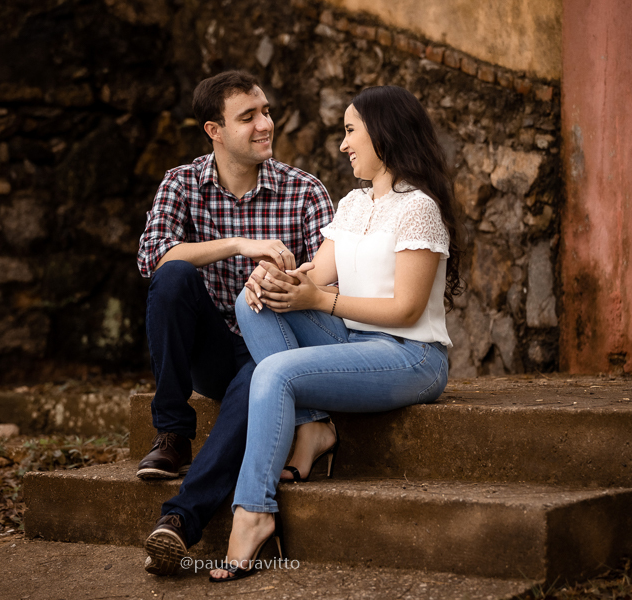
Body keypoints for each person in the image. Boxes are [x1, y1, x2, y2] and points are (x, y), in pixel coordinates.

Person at [209, 85, 463, 582]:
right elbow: (314, 277)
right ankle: (315, 425)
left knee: (276, 373)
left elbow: (407, 309)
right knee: (251, 301)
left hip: (412, 356)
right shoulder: (351, 205)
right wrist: (273, 280)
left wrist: (318, 299)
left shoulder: (419, 209)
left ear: (383, 135)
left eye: (351, 132)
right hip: (353, 342)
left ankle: (254, 512)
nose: (344, 145)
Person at [135, 70, 335, 575]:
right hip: (213, 348)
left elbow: (333, 291)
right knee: (174, 277)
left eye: (266, 112)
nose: (265, 124)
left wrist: (289, 284)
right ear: (214, 131)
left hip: (277, 346)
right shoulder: (182, 182)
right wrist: (239, 246)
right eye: (248, 117)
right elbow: (152, 259)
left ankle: (179, 521)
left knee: (260, 379)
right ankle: (173, 434)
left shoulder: (306, 192)